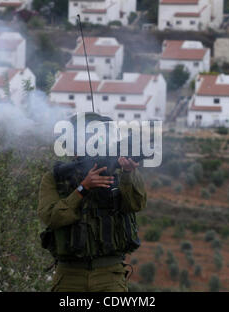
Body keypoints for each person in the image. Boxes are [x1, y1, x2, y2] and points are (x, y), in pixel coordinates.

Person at [38, 113, 147, 292]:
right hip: (69, 276)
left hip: (110, 274)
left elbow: (136, 205)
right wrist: (82, 189)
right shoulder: (55, 179)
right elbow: (51, 217)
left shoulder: (117, 173)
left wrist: (129, 173)